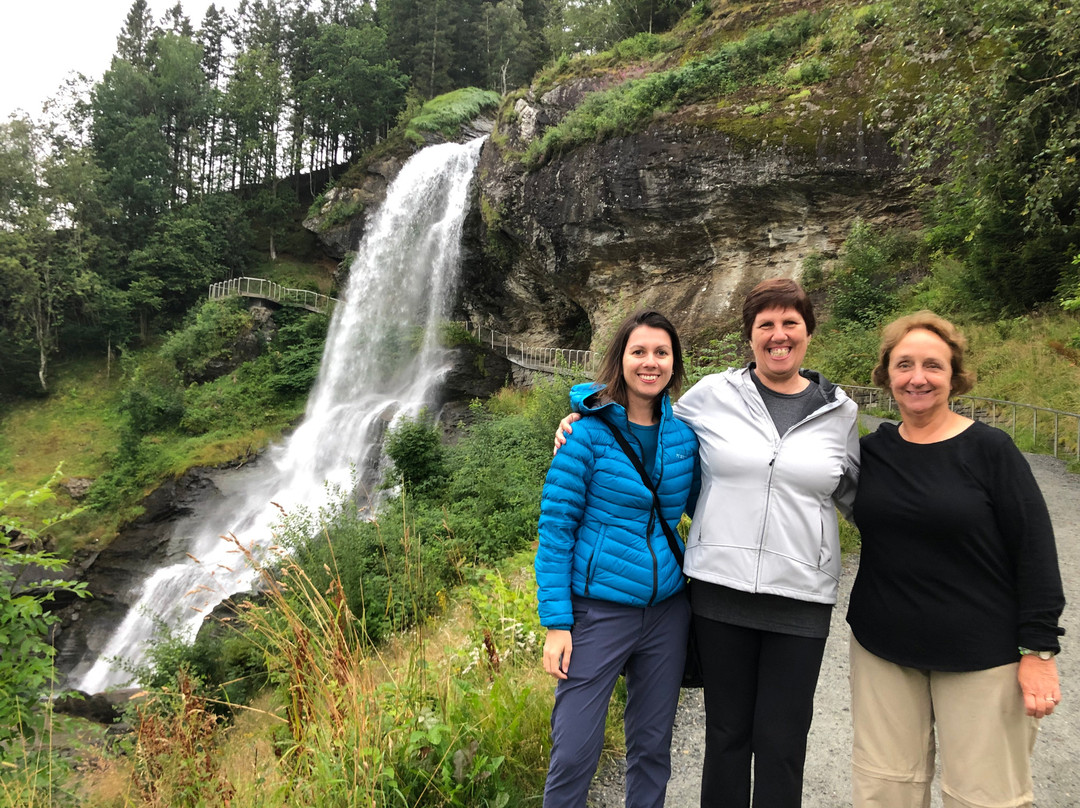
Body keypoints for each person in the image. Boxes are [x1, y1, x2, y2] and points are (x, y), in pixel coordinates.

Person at [557, 279, 860, 808]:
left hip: (795, 598)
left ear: (809, 331)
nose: (778, 334)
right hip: (714, 597)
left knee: (779, 745)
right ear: (749, 337)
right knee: (723, 738)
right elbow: (638, 416)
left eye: (790, 322)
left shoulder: (840, 412)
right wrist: (581, 410)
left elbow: (867, 499)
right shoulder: (712, 396)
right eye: (765, 324)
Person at [846, 310, 1065, 807]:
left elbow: (1035, 550)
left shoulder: (991, 450)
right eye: (904, 365)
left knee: (985, 797)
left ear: (954, 376)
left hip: (981, 656)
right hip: (883, 651)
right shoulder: (871, 452)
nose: (917, 378)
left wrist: (1038, 652)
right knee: (883, 791)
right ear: (886, 375)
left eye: (932, 366)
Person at [536, 309, 700, 808]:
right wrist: (557, 623)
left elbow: (712, 505)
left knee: (652, 746)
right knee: (574, 750)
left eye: (661, 353)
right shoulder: (584, 434)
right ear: (620, 359)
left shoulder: (684, 438)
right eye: (639, 352)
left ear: (674, 363)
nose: (650, 362)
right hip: (597, 612)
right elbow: (556, 530)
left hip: (667, 612)